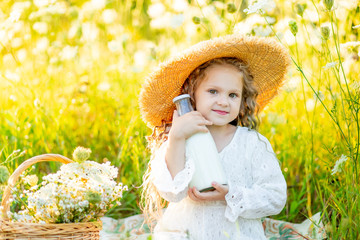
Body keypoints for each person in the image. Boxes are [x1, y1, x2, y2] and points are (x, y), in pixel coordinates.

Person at [139, 34, 290, 240]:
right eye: (213, 91)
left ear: (243, 100)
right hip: (188, 232)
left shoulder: (251, 143)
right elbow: (172, 193)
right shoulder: (179, 140)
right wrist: (176, 137)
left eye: (232, 95)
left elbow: (275, 198)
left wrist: (230, 194)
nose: (223, 102)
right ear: (193, 94)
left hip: (237, 234)